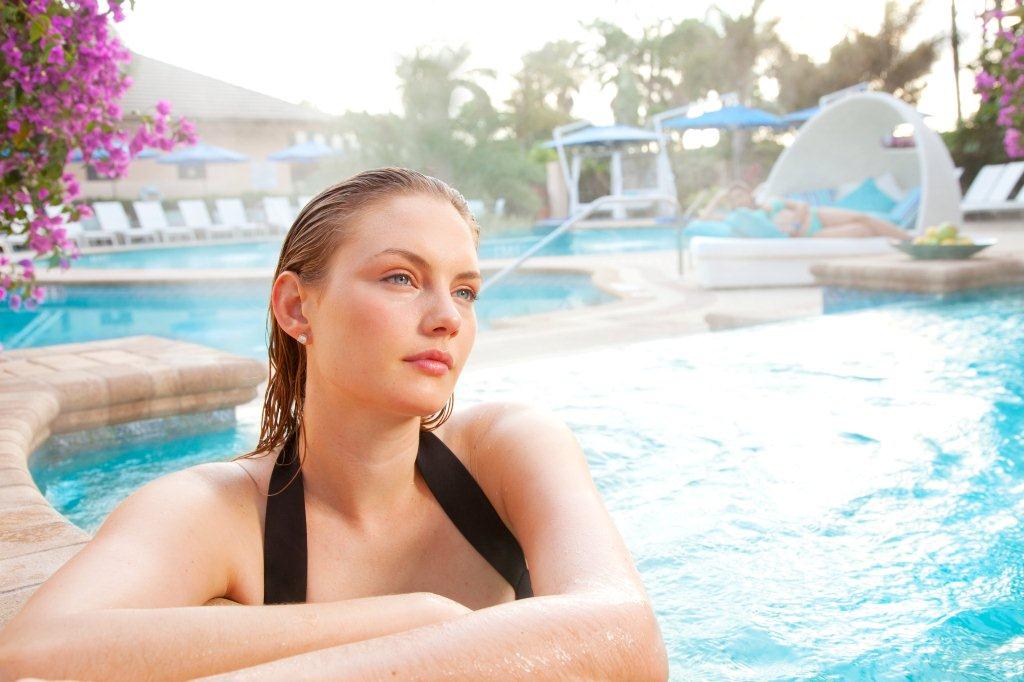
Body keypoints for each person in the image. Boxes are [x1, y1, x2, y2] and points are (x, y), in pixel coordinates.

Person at [0, 167, 668, 680]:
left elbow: (630, 639)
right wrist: (414, 618)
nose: (448, 317)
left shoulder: (508, 449)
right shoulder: (217, 511)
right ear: (296, 308)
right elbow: (32, 653)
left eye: (465, 289)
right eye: (402, 278)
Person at [690, 181, 911, 240]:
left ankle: (910, 239)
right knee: (864, 230)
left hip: (814, 215)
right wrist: (718, 198)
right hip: (812, 233)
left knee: (862, 217)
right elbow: (704, 219)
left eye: (741, 194)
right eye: (734, 198)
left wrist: (795, 221)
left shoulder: (772, 201)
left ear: (750, 194)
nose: (738, 199)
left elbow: (802, 205)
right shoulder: (742, 220)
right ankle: (902, 240)